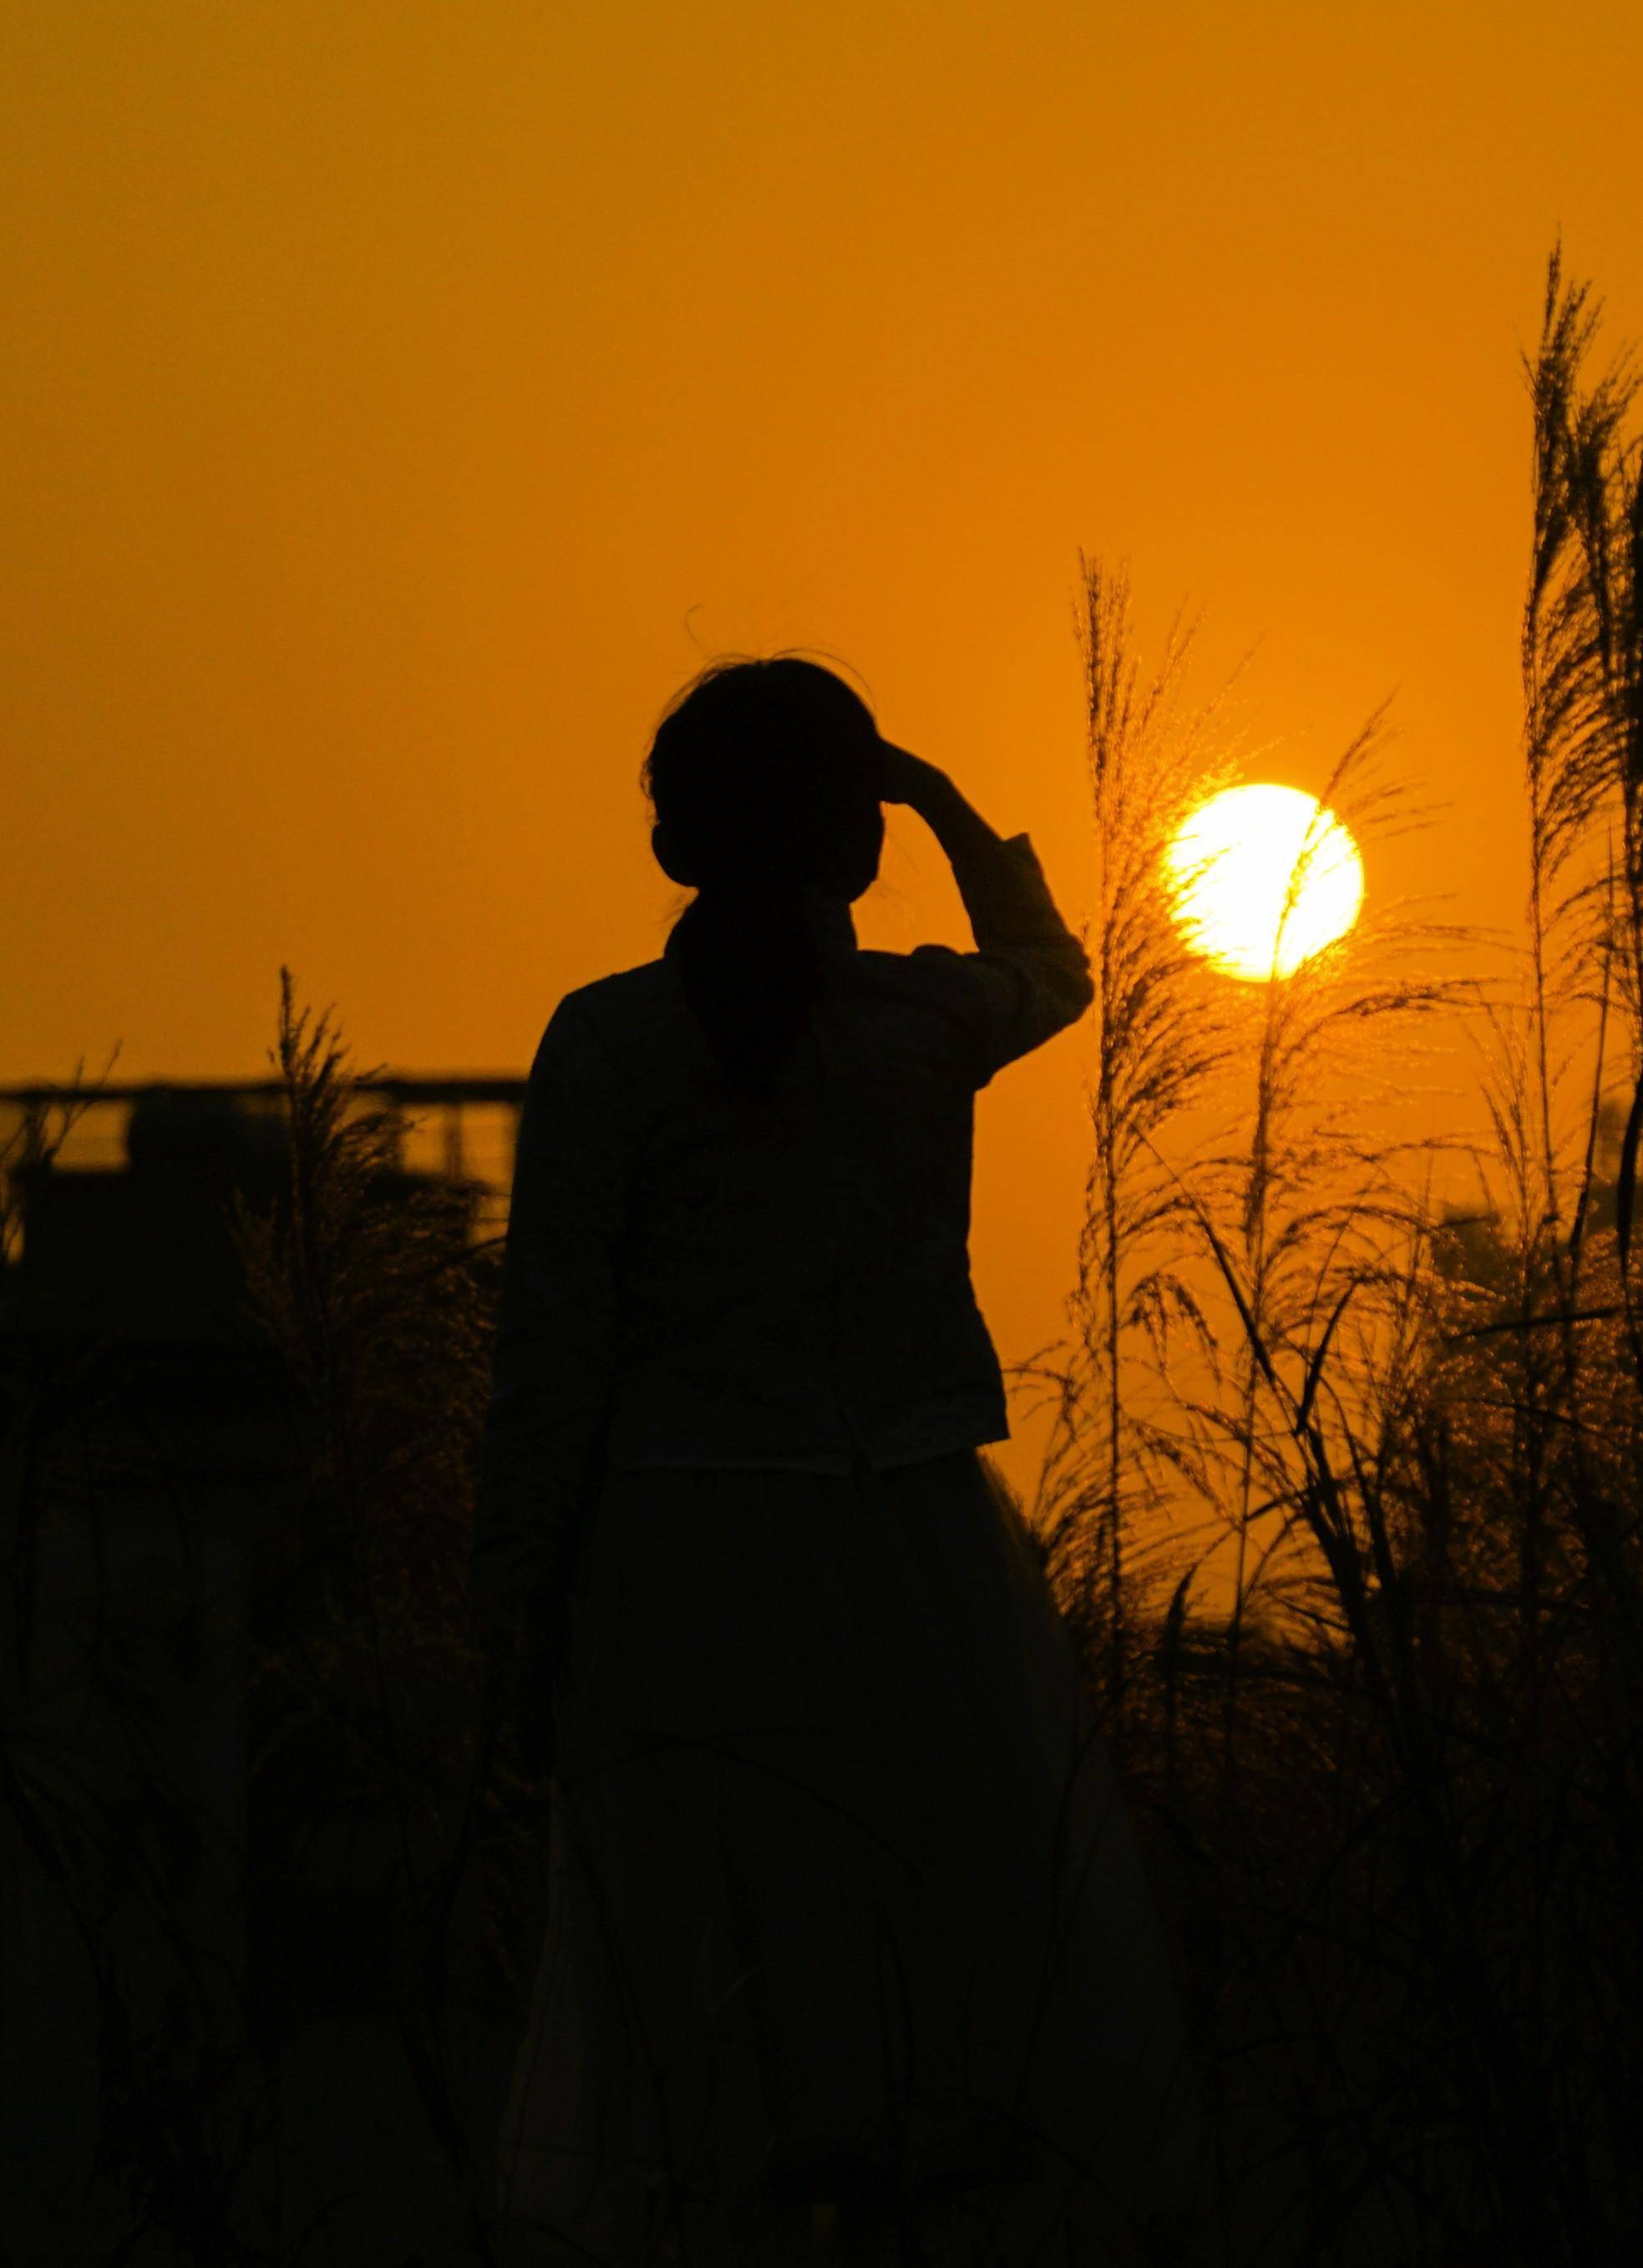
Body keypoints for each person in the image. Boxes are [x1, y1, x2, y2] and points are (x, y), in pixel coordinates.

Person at [477, 656, 1187, 2263]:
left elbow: (550, 1354)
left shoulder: (602, 1044)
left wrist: (519, 1593)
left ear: (678, 844)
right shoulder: (922, 1023)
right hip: (904, 1546)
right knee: (943, 1946)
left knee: (714, 1968)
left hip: (674, 1558)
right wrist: (938, 798)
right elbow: (1053, 967)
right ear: (855, 838)